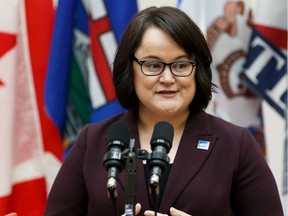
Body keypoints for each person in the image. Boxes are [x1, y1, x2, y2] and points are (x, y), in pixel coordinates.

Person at [44, 6, 284, 216]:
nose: (168, 78)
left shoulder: (236, 144)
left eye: (180, 65)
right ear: (130, 69)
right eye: (153, 65)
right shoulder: (92, 142)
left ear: (197, 69)